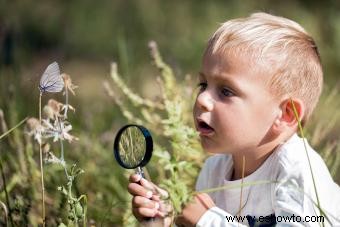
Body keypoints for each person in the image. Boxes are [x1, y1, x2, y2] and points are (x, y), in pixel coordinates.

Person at [127, 12, 340, 226]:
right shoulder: (215, 170)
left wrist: (209, 220)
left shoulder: (297, 170)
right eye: (203, 85)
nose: (202, 99)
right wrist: (165, 218)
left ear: (286, 114)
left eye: (226, 91)